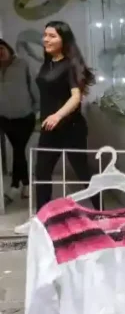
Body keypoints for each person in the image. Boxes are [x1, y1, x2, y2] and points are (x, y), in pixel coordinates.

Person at [33, 21, 99, 211]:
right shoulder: (48, 63)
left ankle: (101, 212)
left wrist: (57, 116)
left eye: (52, 36)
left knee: (82, 172)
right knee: (42, 173)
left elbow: (76, 97)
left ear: (64, 39)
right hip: (49, 129)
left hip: (71, 128)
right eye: (45, 34)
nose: (46, 39)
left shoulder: (70, 65)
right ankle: (42, 217)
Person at [0, 37, 38, 199]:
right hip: (4, 117)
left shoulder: (22, 64)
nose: (0, 52)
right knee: (18, 150)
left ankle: (18, 185)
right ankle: (24, 184)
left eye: (2, 48)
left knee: (18, 149)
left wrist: (36, 109)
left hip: (25, 116)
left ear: (8, 48)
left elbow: (34, 87)